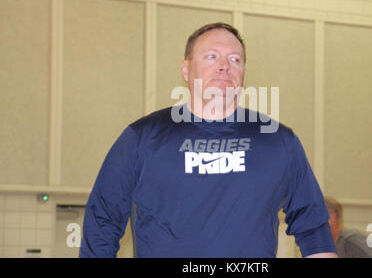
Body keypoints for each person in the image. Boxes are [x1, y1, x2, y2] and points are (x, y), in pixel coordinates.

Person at [79, 22, 337, 258]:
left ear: (243, 72)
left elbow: (313, 226)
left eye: (235, 59)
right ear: (186, 69)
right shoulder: (142, 138)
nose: (225, 65)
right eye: (212, 57)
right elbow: (102, 222)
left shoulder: (279, 142)